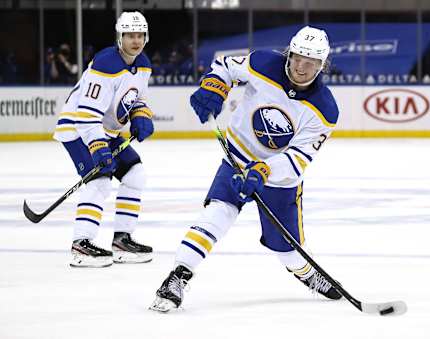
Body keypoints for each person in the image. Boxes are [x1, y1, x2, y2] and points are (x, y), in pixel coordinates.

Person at [150, 26, 341, 312]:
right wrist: (213, 86)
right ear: (289, 52)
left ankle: (306, 272)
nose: (301, 66)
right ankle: (177, 276)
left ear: (322, 65)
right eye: (298, 57)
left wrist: (264, 170)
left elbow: (299, 158)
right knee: (218, 212)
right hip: (238, 157)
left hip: (279, 178)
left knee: (286, 249)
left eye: (311, 62)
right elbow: (226, 67)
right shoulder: (263, 62)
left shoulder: (325, 109)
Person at [53, 11, 155, 268]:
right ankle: (81, 245)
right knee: (99, 181)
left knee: (135, 174)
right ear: (120, 38)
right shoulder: (106, 64)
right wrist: (97, 147)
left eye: (140, 35)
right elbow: (85, 115)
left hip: (105, 132)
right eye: (130, 35)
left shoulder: (143, 64)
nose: (135, 40)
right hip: (77, 129)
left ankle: (122, 240)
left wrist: (141, 115)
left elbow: (136, 99)